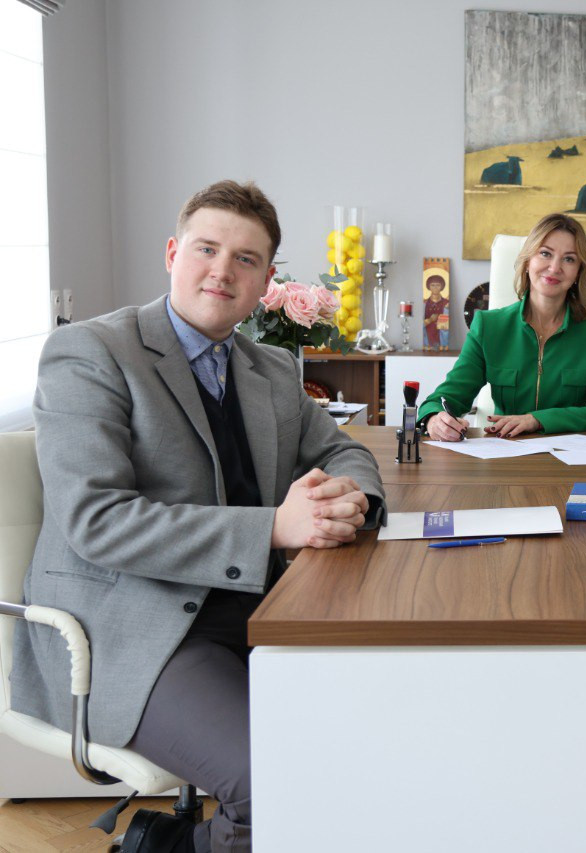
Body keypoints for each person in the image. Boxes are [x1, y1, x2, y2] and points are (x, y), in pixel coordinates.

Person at [10, 180, 386, 853]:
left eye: (246, 259)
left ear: (266, 282)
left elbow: (341, 449)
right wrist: (275, 527)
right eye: (206, 248)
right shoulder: (90, 353)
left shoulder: (271, 368)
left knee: (380, 735)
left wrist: (351, 498)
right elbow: (97, 520)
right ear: (172, 253)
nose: (222, 270)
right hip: (132, 627)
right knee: (277, 783)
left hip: (259, 608)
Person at [417, 212, 586, 438]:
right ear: (528, 261)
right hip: (506, 451)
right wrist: (433, 418)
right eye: (545, 254)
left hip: (572, 453)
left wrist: (537, 420)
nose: (554, 267)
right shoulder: (489, 326)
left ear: (579, 271)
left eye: (569, 259)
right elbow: (446, 397)